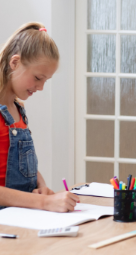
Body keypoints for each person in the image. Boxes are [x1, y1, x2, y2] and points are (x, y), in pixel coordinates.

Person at [0, 23, 79, 212]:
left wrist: (41, 185)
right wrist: (44, 203)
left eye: (45, 80)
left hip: (21, 213)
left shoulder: (17, 111)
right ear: (15, 62)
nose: (41, 87)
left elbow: (24, 163)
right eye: (37, 78)